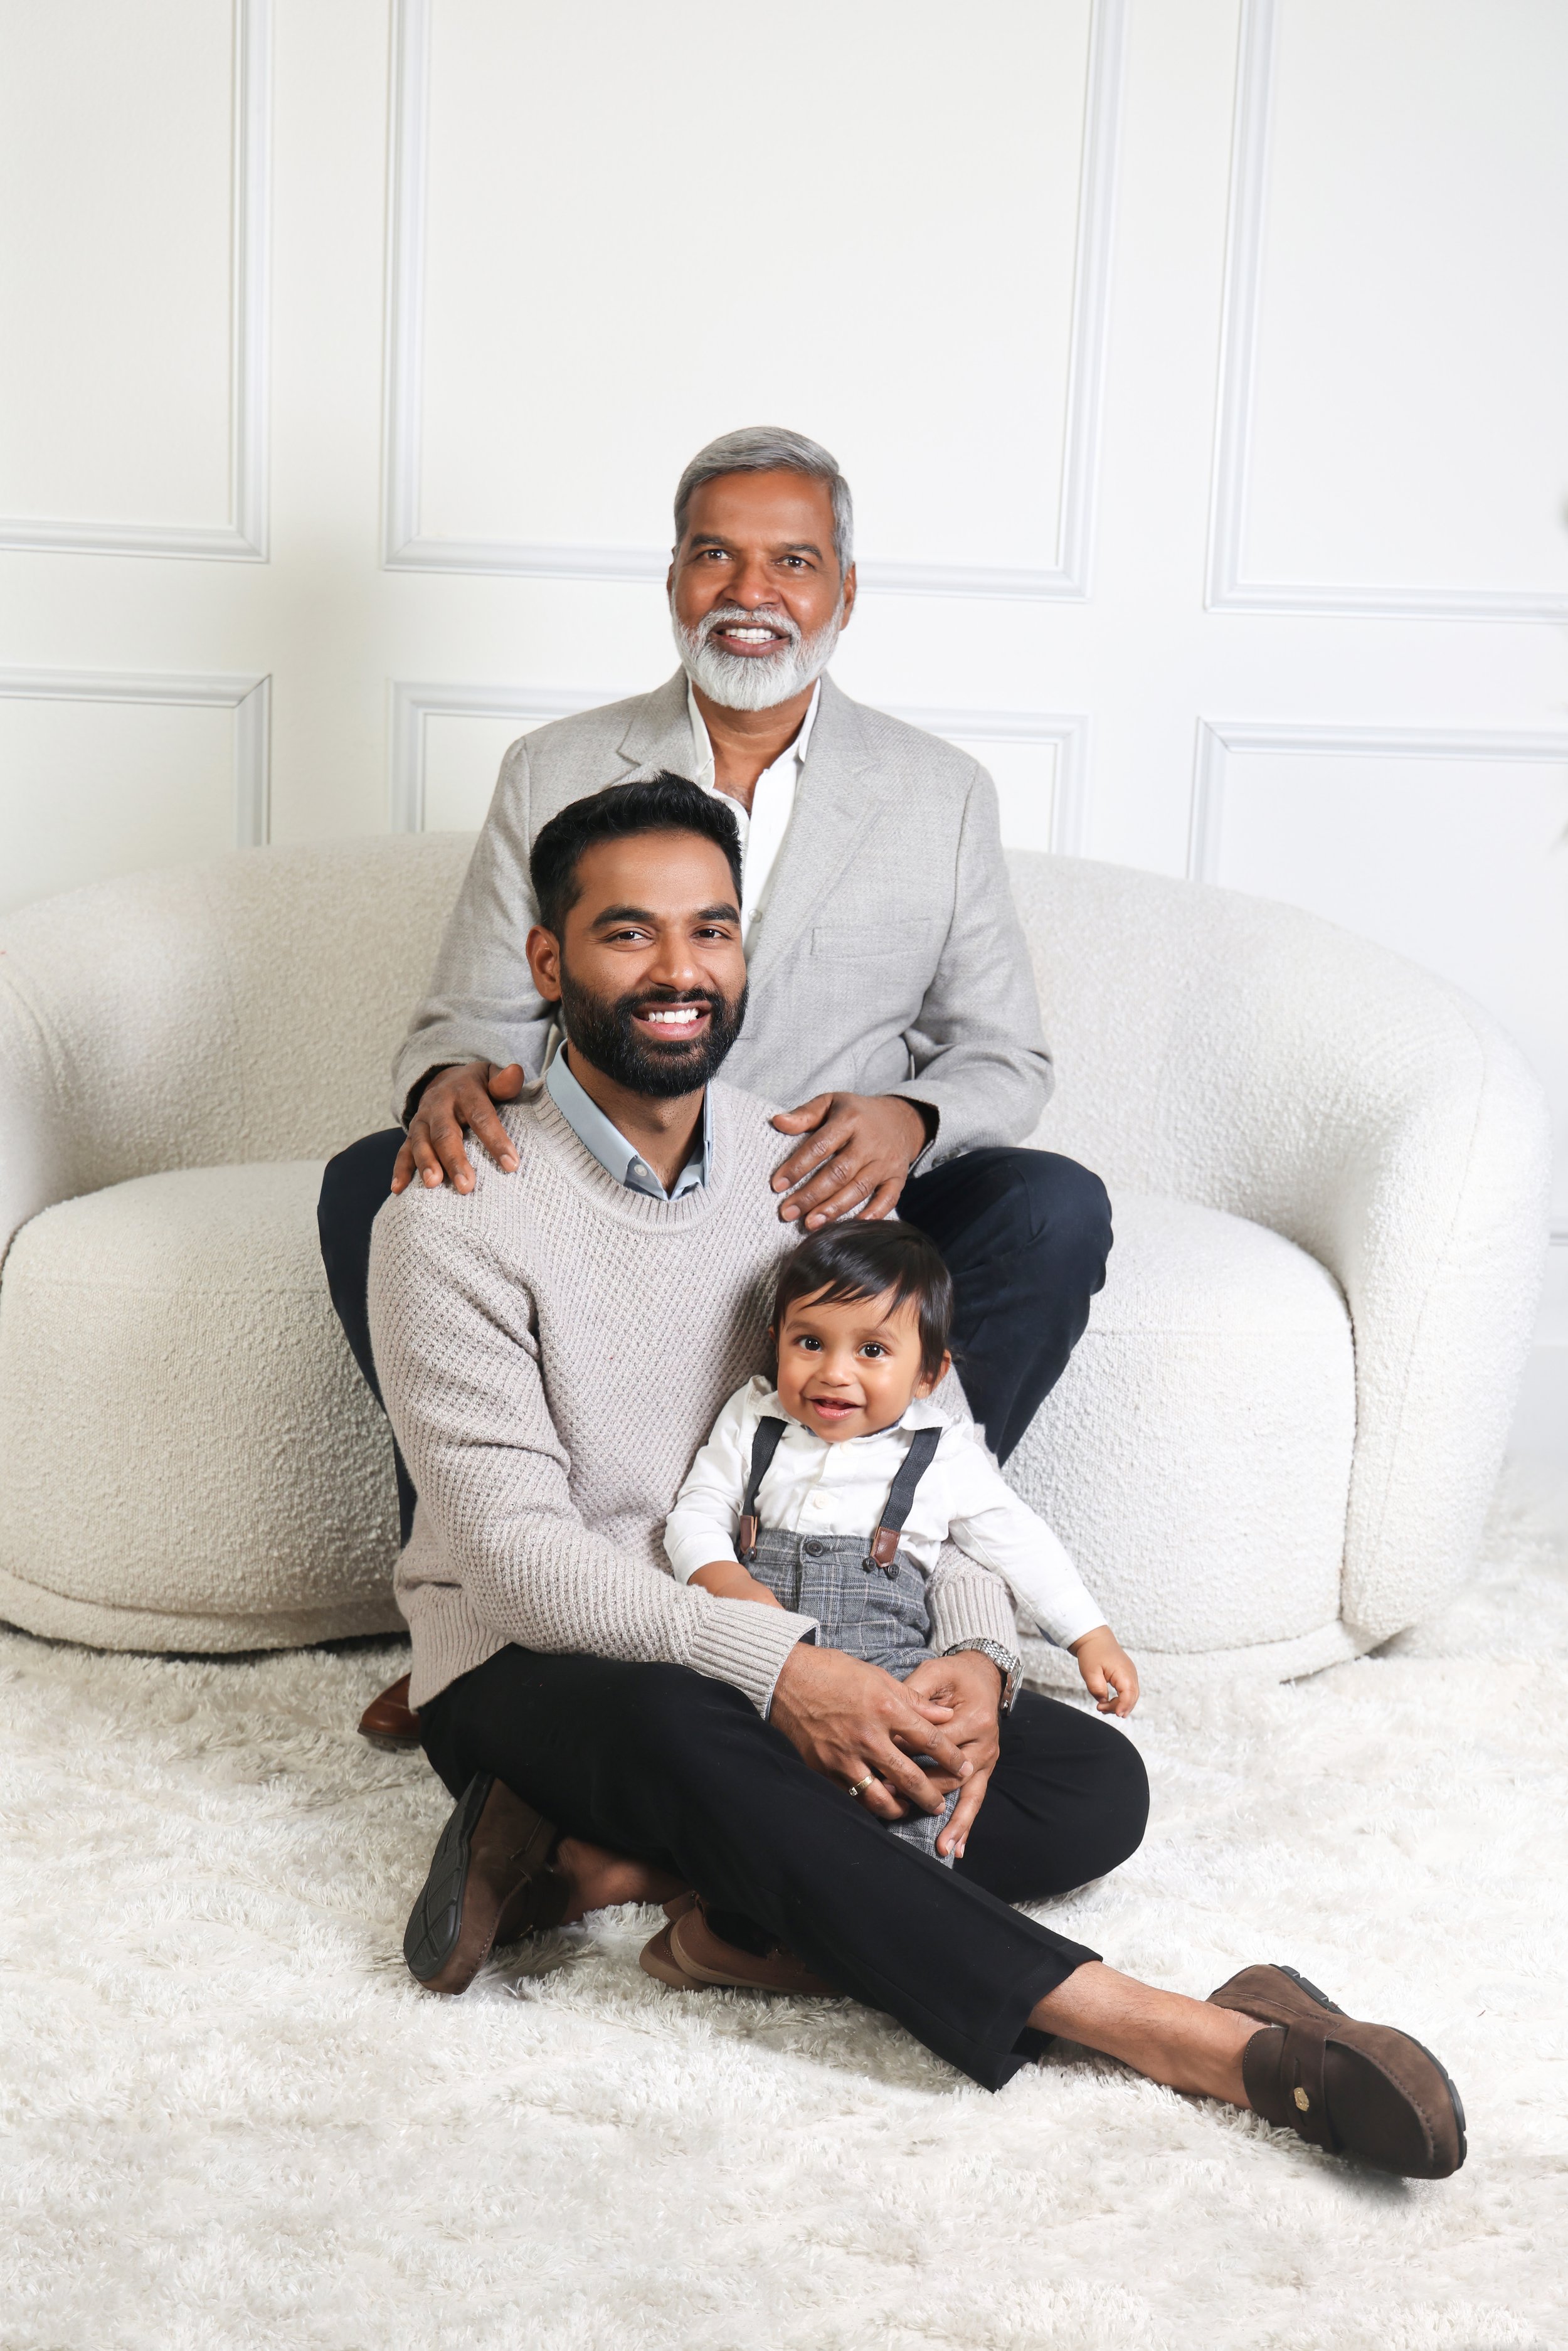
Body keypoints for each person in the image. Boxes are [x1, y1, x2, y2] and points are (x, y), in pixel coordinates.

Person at [371, 774, 1466, 2180]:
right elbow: (520, 1560)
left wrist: (966, 1647)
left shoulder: (801, 1171)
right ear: (547, 963)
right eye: (627, 934)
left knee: (1085, 1782)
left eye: (709, 931)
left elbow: (915, 1450)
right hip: (545, 1658)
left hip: (776, 1634)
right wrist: (783, 1671)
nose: (677, 970)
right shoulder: (453, 1213)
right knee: (679, 1725)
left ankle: (618, 1869)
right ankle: (1187, 2033)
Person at [323, 425, 1112, 1744]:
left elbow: (1005, 1057)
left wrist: (908, 1116)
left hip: (830, 1209)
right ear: (675, 579)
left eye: (792, 561)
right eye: (716, 556)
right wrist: (451, 1079)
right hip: (622, 1192)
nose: (753, 591)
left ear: (842, 593)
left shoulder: (940, 793)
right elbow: (470, 1008)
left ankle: (885, 1559)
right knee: (383, 1177)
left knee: (1050, 1206)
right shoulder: (556, 768)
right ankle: (489, 1610)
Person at [661, 1218, 1140, 1874]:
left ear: (928, 1373)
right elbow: (695, 1514)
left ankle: (856, 1888)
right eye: (809, 1342)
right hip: (763, 1660)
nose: (833, 1373)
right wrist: (728, 1581)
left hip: (891, 1673)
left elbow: (1015, 1539)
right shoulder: (753, 1418)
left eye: (872, 1352)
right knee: (696, 1747)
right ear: (774, 1341)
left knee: (920, 1784)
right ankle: (715, 1868)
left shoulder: (941, 1450)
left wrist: (1089, 1635)